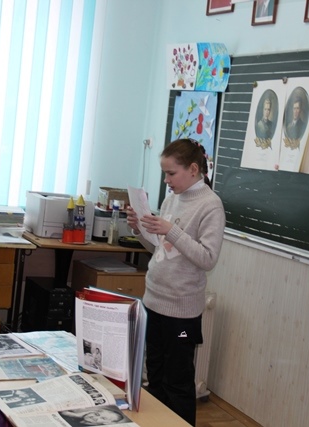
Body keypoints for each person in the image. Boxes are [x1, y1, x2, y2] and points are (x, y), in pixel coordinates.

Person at [125, 138, 226, 426]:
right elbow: (161, 249)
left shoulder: (211, 205)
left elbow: (207, 258)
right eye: (164, 174)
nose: (166, 180)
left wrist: (171, 230)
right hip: (154, 302)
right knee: (154, 377)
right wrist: (140, 229)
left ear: (193, 169)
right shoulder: (172, 198)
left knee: (177, 383)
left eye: (171, 173)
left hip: (181, 312)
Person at [59, 407, 127, 426]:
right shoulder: (75, 417)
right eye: (97, 414)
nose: (94, 417)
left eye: (103, 418)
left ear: (107, 423)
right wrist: (75, 415)